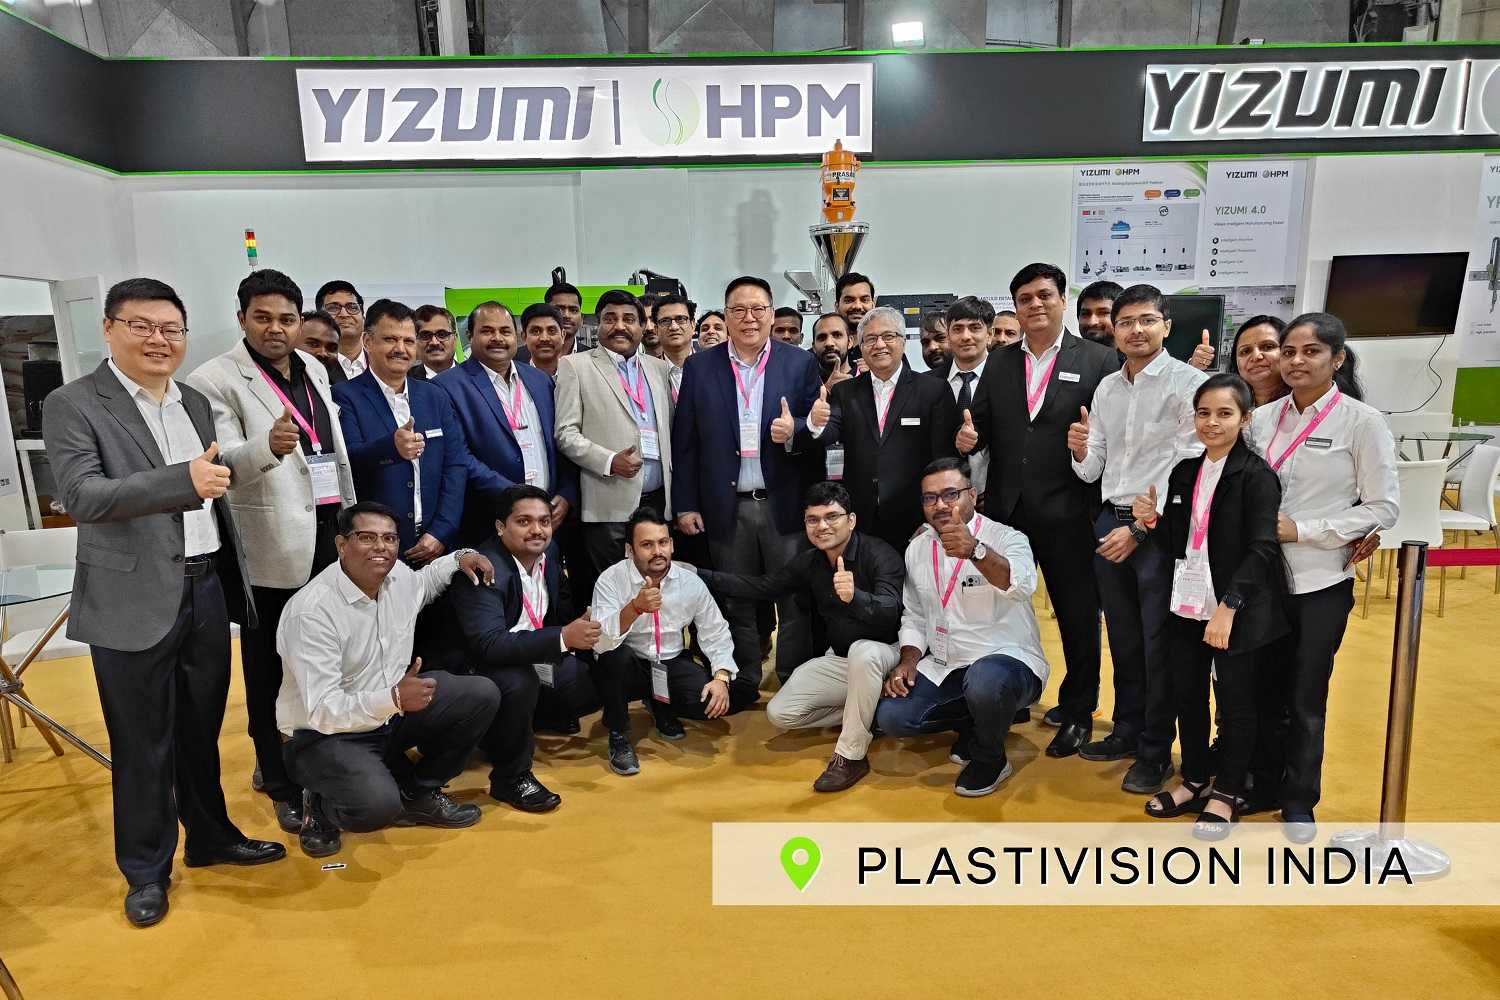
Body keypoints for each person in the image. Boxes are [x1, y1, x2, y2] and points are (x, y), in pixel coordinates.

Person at [45, 277, 284, 927]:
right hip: (131, 596)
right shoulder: (75, 403)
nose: (159, 340)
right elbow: (83, 496)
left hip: (205, 587)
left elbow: (216, 482)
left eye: (171, 329)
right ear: (109, 328)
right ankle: (146, 870)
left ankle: (210, 837)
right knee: (142, 743)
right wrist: (184, 481)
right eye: (142, 326)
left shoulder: (194, 402)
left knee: (200, 730)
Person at [187, 268, 357, 835]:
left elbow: (331, 448)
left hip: (328, 532)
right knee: (269, 668)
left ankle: (317, 759)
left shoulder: (313, 366)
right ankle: (278, 778)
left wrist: (351, 516)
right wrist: (268, 444)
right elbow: (221, 465)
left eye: (286, 318)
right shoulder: (214, 379)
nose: (276, 329)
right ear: (241, 319)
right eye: (262, 318)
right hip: (272, 545)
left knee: (321, 655)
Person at [277, 502, 500, 858]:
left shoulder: (398, 578)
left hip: (387, 717)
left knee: (480, 694)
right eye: (367, 538)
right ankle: (320, 804)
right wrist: (393, 699)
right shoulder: (312, 612)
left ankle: (419, 793)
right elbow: (322, 710)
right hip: (322, 736)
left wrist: (461, 556)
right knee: (376, 807)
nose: (381, 547)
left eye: (390, 538)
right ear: (341, 545)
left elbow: (427, 580)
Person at [1249, 312, 1396, 842]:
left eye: (1311, 352)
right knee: (1260, 691)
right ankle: (1261, 784)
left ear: (1337, 359)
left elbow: (1383, 506)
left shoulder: (1362, 422)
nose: (1296, 361)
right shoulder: (1261, 420)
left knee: (1305, 698)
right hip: (1260, 580)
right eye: (1289, 351)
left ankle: (1298, 799)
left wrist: (1305, 530)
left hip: (1320, 581)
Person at [959, 263, 1117, 755]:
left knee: (1076, 614)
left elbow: (1108, 436)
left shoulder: (1098, 360)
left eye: (1044, 295)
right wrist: (969, 437)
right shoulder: (999, 362)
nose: (1035, 305)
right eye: (1024, 298)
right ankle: (1007, 697)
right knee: (1002, 611)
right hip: (1008, 510)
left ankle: (1079, 708)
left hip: (1069, 510)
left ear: (1062, 300)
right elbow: (983, 426)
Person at [1133, 374, 1288, 839]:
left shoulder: (1257, 476)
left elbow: (1262, 548)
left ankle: (1227, 791)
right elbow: (1177, 541)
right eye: (1204, 413)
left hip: (1237, 609)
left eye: (1224, 413)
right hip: (1187, 603)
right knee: (1188, 695)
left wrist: (1229, 605)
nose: (1212, 423)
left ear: (1245, 419)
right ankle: (1196, 779)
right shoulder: (1185, 471)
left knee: (1236, 704)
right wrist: (1152, 520)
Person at [1069, 283, 1207, 794]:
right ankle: (1126, 730)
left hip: (1158, 529)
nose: (1136, 330)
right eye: (1126, 322)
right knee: (1123, 638)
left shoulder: (1189, 384)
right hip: (1110, 521)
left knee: (1157, 643)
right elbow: (1094, 469)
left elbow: (1189, 465)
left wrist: (1140, 528)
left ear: (1166, 326)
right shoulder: (1108, 387)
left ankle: (1155, 750)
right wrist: (1079, 450)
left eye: (1147, 320)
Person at [697, 482, 903, 792]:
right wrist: (698, 575)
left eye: (832, 517)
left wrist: (855, 597)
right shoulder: (810, 561)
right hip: (843, 660)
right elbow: (764, 587)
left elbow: (891, 612)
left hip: (888, 653)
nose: (822, 526)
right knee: (781, 713)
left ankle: (851, 756)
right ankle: (874, 710)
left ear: (851, 520)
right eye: (813, 519)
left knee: (864, 651)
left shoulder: (879, 553)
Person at [672, 275, 823, 686]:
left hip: (784, 504)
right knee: (735, 599)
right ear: (726, 316)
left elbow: (818, 430)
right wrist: (685, 504)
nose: (749, 318)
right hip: (726, 506)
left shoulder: (799, 363)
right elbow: (685, 442)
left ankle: (793, 679)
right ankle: (744, 680)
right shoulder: (700, 366)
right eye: (738, 310)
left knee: (793, 600)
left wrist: (795, 431)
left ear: (772, 315)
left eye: (758, 309)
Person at [874, 458, 1050, 797]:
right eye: (930, 498)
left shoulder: (1007, 537)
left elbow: (1021, 585)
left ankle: (990, 757)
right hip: (949, 664)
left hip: (1007, 662)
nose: (940, 505)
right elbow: (914, 614)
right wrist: (908, 661)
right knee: (893, 716)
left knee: (985, 680)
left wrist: (976, 552)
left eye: (950, 494)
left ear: (972, 494)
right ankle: (979, 722)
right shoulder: (918, 548)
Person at [445, 485, 605, 810]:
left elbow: (558, 613)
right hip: (472, 665)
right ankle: (511, 777)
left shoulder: (550, 553)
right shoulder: (484, 568)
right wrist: (563, 638)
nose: (537, 530)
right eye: (524, 521)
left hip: (526, 651)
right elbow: (488, 645)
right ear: (500, 526)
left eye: (544, 521)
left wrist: (580, 628)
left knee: (584, 678)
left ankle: (519, 727)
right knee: (519, 681)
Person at [591, 507, 756, 775]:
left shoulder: (689, 582)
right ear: (629, 550)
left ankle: (660, 703)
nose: (658, 551)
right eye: (647, 545)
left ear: (672, 544)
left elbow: (715, 631)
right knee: (614, 658)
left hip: (670, 661)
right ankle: (619, 734)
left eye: (663, 542)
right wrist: (634, 608)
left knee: (710, 704)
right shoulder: (610, 580)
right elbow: (600, 642)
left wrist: (721, 676)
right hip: (628, 663)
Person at [804, 306, 957, 552]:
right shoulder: (845, 392)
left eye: (888, 336)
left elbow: (943, 458)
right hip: (860, 516)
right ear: (861, 346)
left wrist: (936, 513)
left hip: (915, 515)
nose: (879, 345)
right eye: (871, 339)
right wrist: (816, 422)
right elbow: (830, 431)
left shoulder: (932, 390)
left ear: (903, 341)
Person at [333, 299, 467, 563]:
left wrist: (441, 530)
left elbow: (455, 465)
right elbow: (347, 462)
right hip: (377, 546)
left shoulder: (435, 396)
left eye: (408, 341)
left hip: (435, 542)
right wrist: (391, 447)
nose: (400, 349)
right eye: (390, 339)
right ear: (368, 341)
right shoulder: (343, 396)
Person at [433, 300, 574, 546]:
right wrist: (518, 498)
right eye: (487, 331)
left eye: (505, 331)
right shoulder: (446, 387)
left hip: (548, 519)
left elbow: (562, 441)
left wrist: (566, 493)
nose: (497, 338)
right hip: (489, 521)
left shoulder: (540, 381)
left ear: (516, 337)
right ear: (469, 337)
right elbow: (460, 456)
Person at [556, 289, 675, 573]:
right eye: (610, 318)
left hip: (659, 502)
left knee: (657, 583)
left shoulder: (659, 368)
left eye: (629, 319)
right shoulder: (575, 366)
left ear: (642, 326)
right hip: (608, 505)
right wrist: (609, 461)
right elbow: (565, 433)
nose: (619, 326)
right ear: (598, 325)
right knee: (615, 587)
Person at [938, 296, 993, 503]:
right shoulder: (928, 383)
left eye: (975, 328)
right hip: (943, 499)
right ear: (948, 335)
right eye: (957, 329)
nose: (966, 336)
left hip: (994, 498)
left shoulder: (1009, 380)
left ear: (989, 334)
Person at [1232, 315, 1289, 409]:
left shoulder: (1303, 403)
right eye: (1245, 351)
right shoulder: (1229, 405)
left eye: (1268, 347)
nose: (1256, 357)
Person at [315, 279, 367, 380]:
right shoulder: (311, 365)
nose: (344, 314)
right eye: (333, 308)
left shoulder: (382, 363)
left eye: (352, 307)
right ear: (319, 321)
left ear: (363, 318)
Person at [653, 292, 696, 400]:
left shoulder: (713, 367)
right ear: (656, 330)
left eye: (680, 319)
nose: (674, 327)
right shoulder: (648, 372)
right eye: (665, 321)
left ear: (693, 325)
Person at [522, 302, 567, 384]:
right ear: (524, 337)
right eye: (536, 331)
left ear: (563, 336)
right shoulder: (516, 377)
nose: (544, 338)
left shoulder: (578, 375)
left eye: (551, 331)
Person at [299, 309, 347, 384]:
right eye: (313, 344)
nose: (323, 353)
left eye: (332, 348)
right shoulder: (280, 385)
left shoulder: (342, 387)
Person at [412, 304, 458, 380]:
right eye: (425, 335)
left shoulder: (476, 378)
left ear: (455, 338)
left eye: (442, 334)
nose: (434, 342)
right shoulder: (401, 381)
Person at [813, 312, 855, 388]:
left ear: (850, 342)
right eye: (821, 337)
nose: (829, 343)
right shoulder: (804, 383)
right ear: (814, 347)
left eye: (837, 335)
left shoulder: (868, 378)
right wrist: (827, 389)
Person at [1076, 279, 1121, 347]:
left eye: (1104, 313)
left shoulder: (1136, 353)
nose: (1092, 322)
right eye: (1085, 314)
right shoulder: (1065, 353)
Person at [545, 280, 584, 356]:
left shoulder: (592, 358)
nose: (566, 315)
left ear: (582, 319)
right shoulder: (521, 357)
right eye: (558, 309)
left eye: (574, 310)